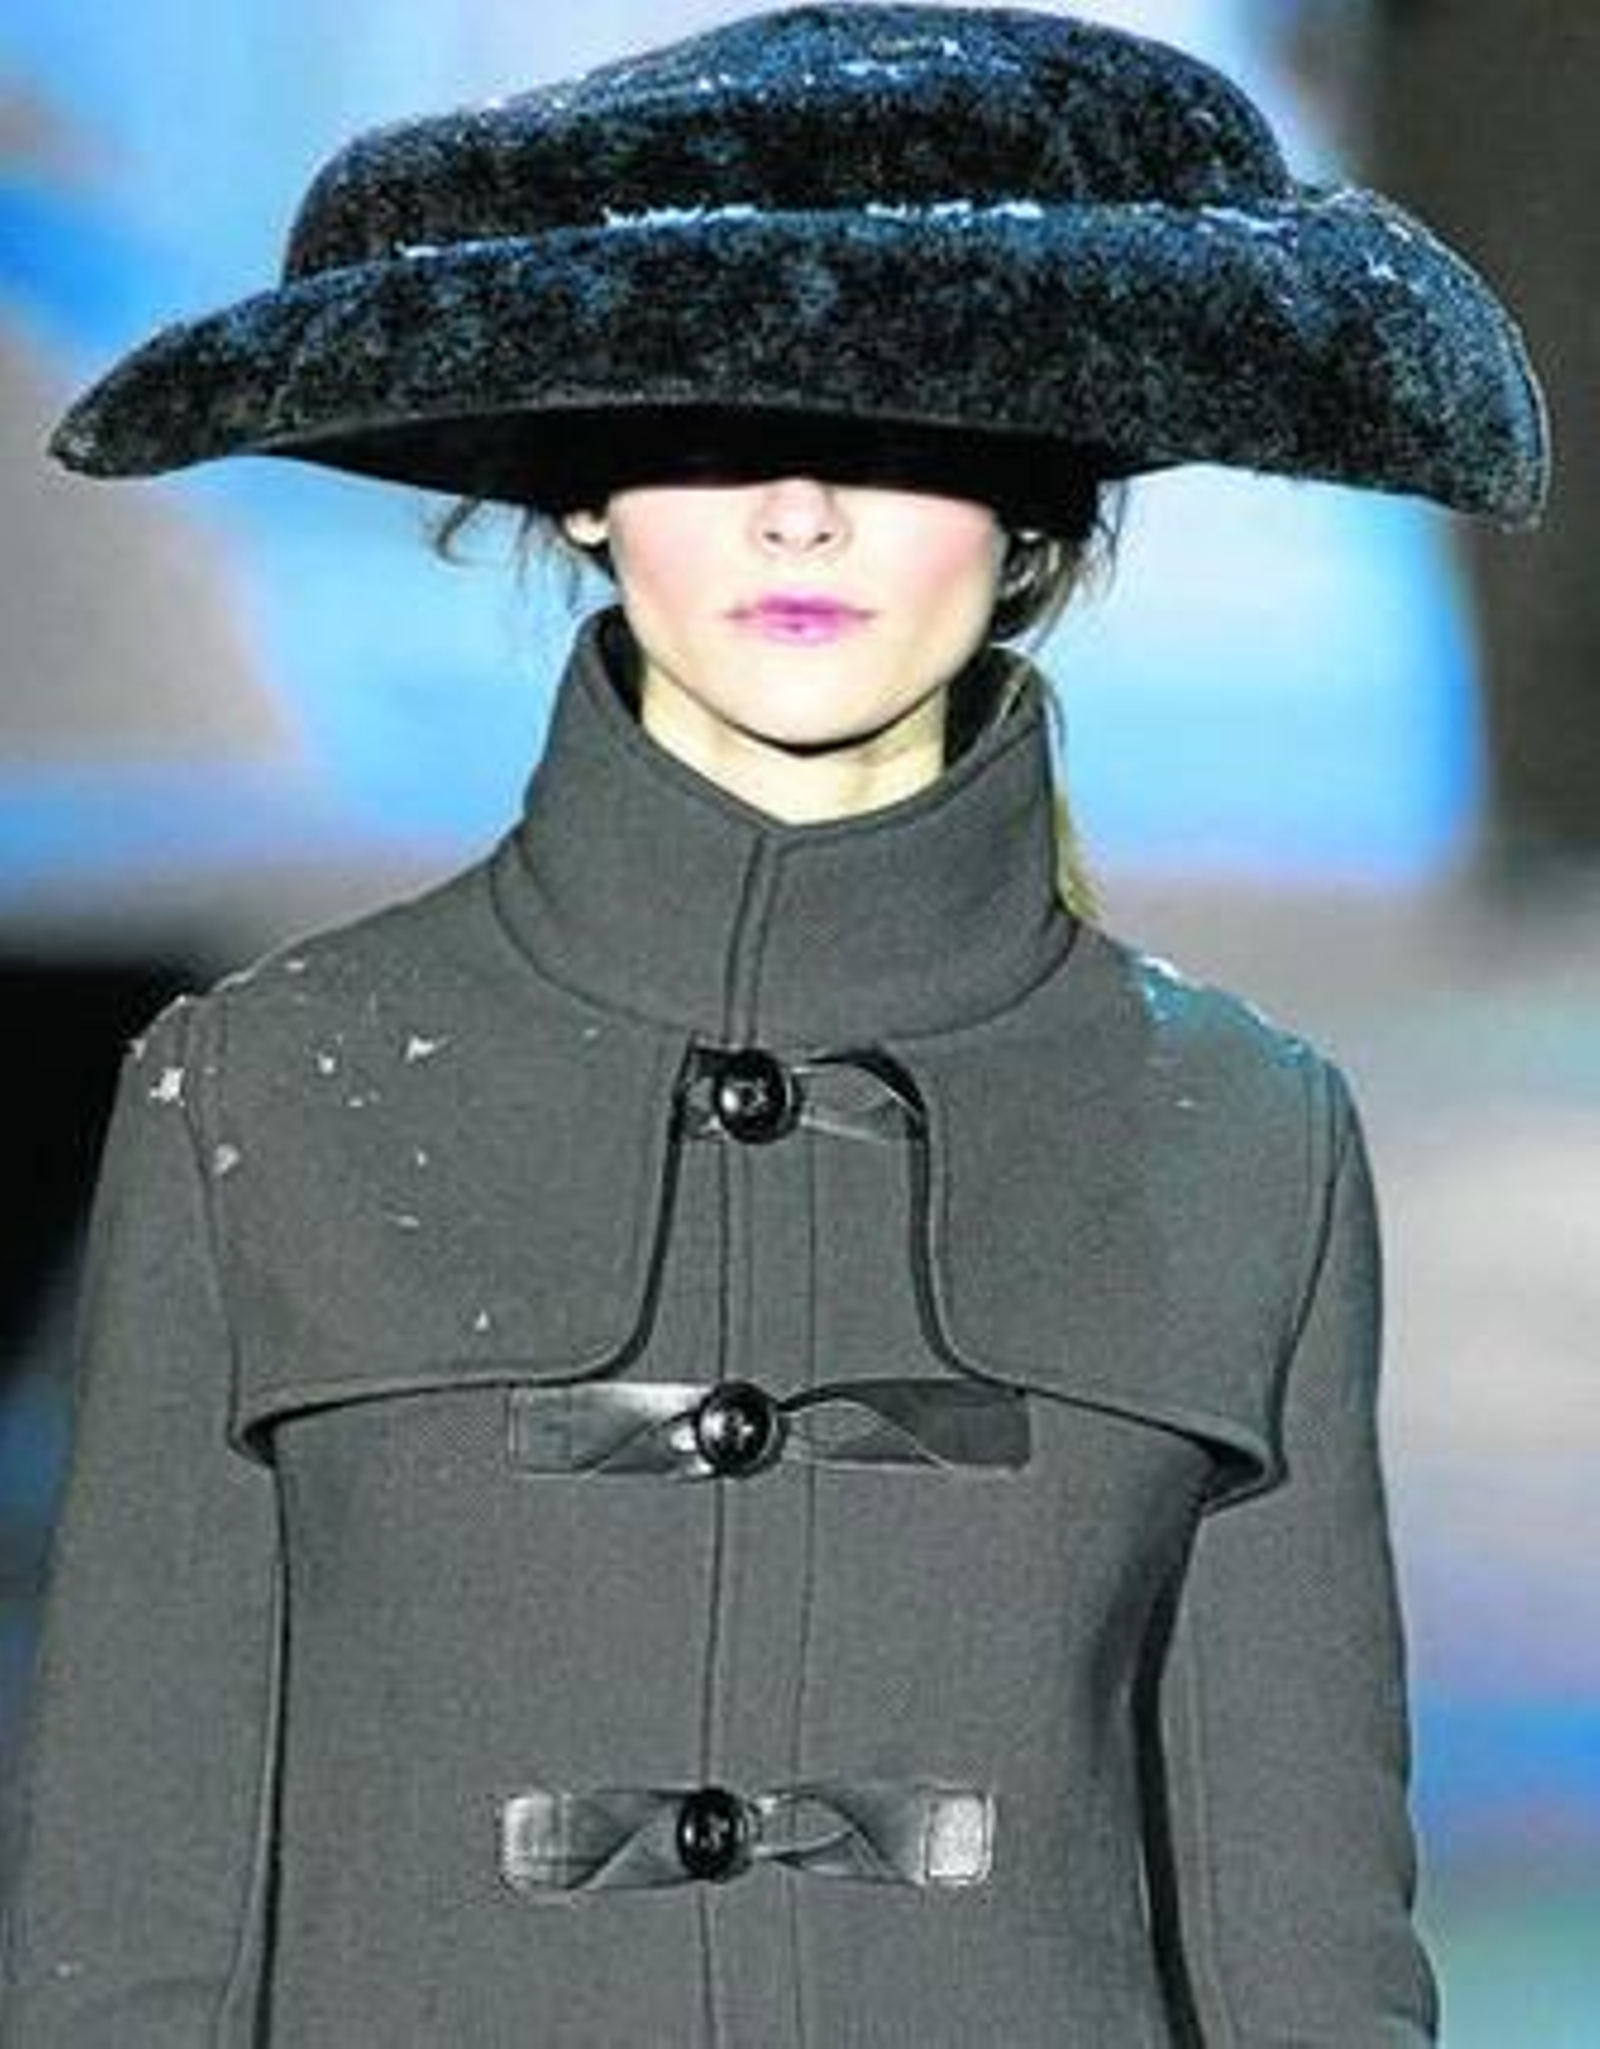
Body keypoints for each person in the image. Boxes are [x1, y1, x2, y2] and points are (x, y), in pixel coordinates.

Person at [0, 6, 1549, 2044]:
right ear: (579, 487)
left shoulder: (1237, 1130)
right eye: (707, 423)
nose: (800, 507)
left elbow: (1302, 1950)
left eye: (905, 430)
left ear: (1040, 512)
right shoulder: (265, 1094)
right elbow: (130, 1919)